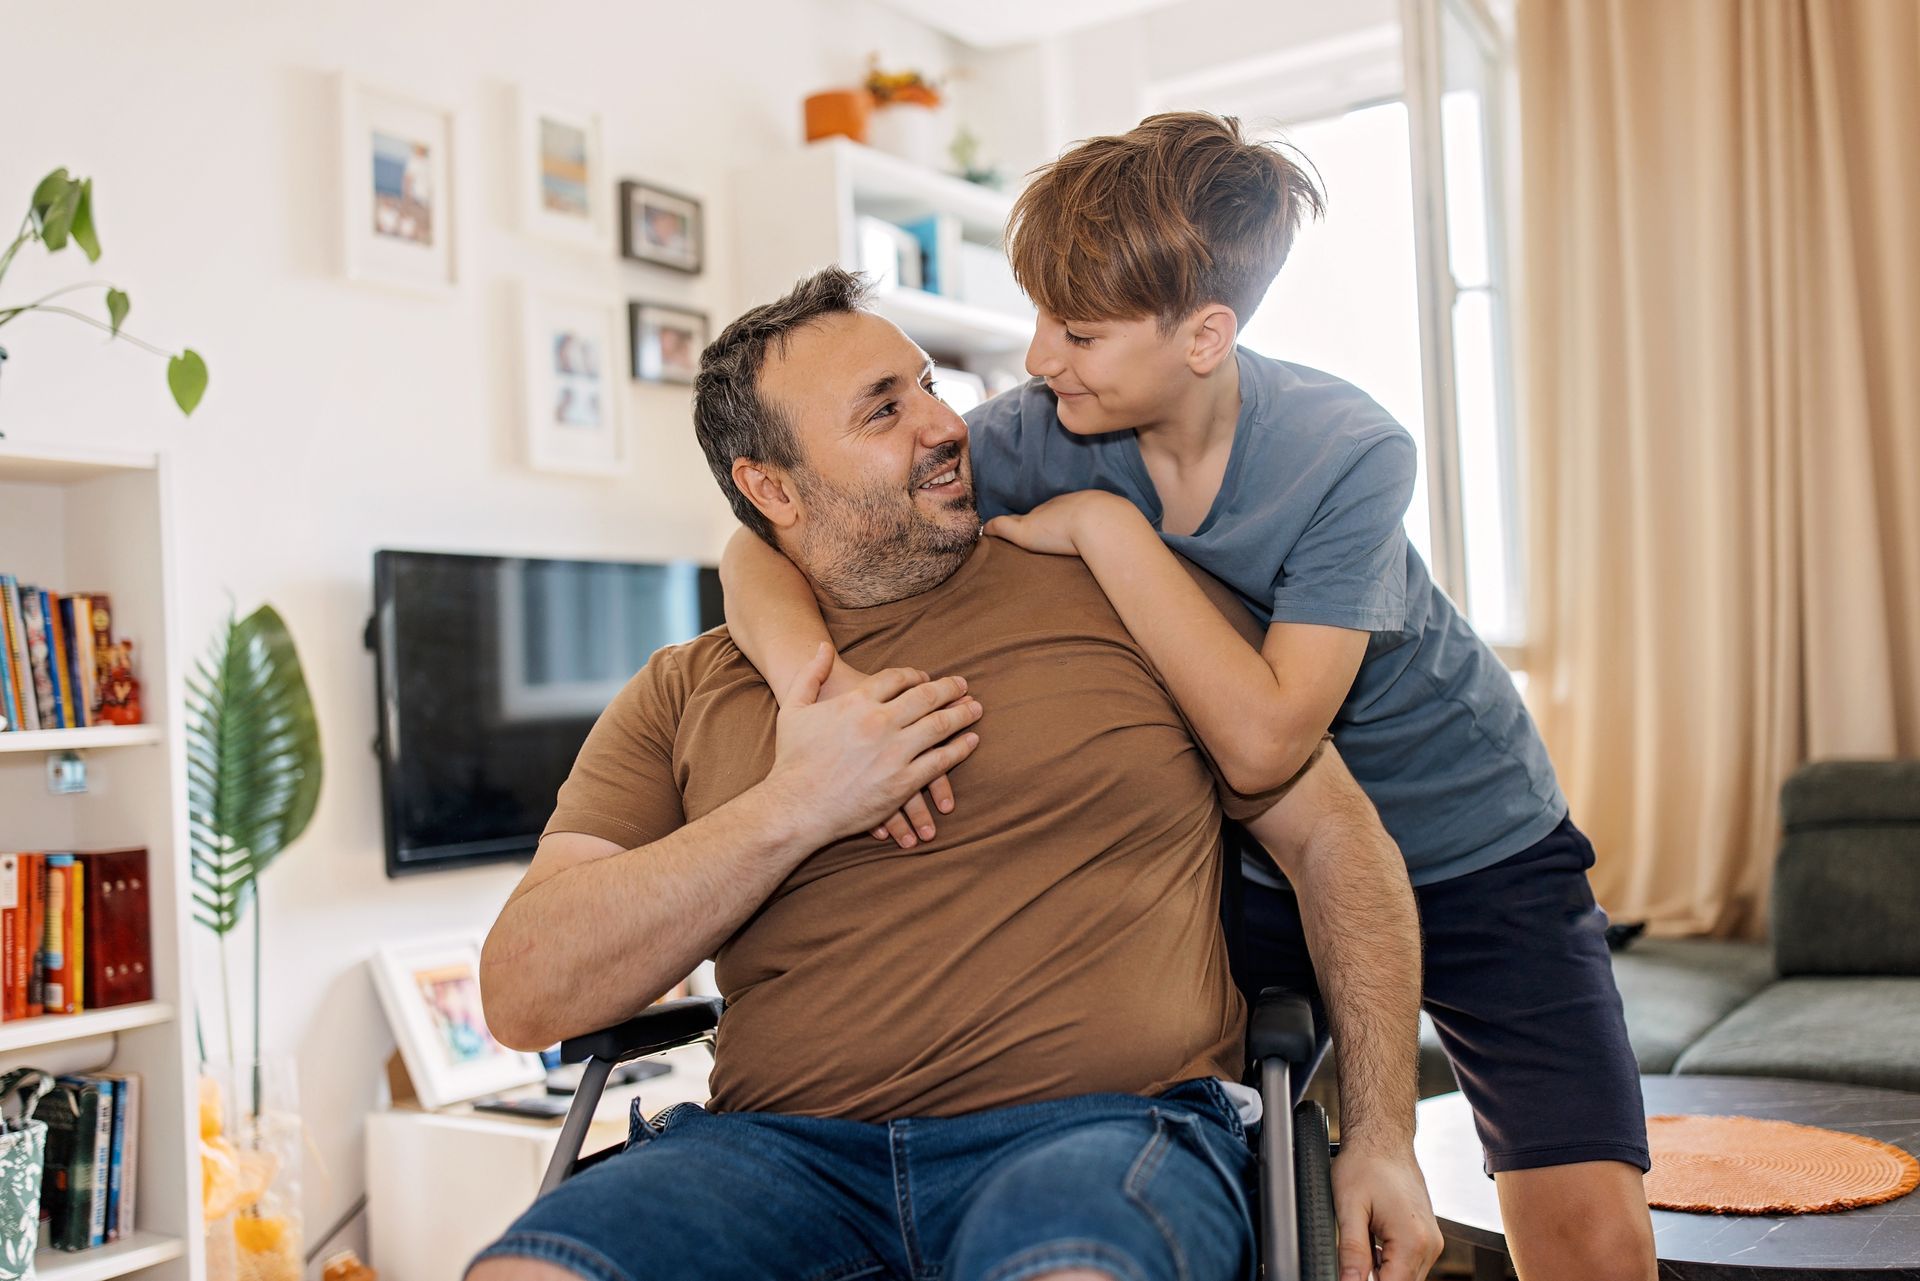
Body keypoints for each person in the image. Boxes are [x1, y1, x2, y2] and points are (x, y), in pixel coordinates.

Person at [720, 113, 1657, 1281]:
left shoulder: (1348, 449)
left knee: (1591, 1244)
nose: (1038, 357)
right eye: (1040, 316)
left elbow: (1267, 739)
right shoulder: (1044, 432)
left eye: (1079, 330)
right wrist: (820, 686)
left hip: (1478, 845)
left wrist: (1110, 535)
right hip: (1264, 864)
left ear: (1205, 335)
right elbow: (759, 543)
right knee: (1213, 1167)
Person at [470, 268, 1441, 1281]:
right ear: (772, 488)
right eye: (884, 410)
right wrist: (796, 808)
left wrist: (1383, 1138)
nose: (944, 424)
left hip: (1097, 1140)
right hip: (774, 1160)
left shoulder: (1118, 598)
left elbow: (1337, 839)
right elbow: (526, 993)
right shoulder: (688, 687)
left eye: (929, 384)